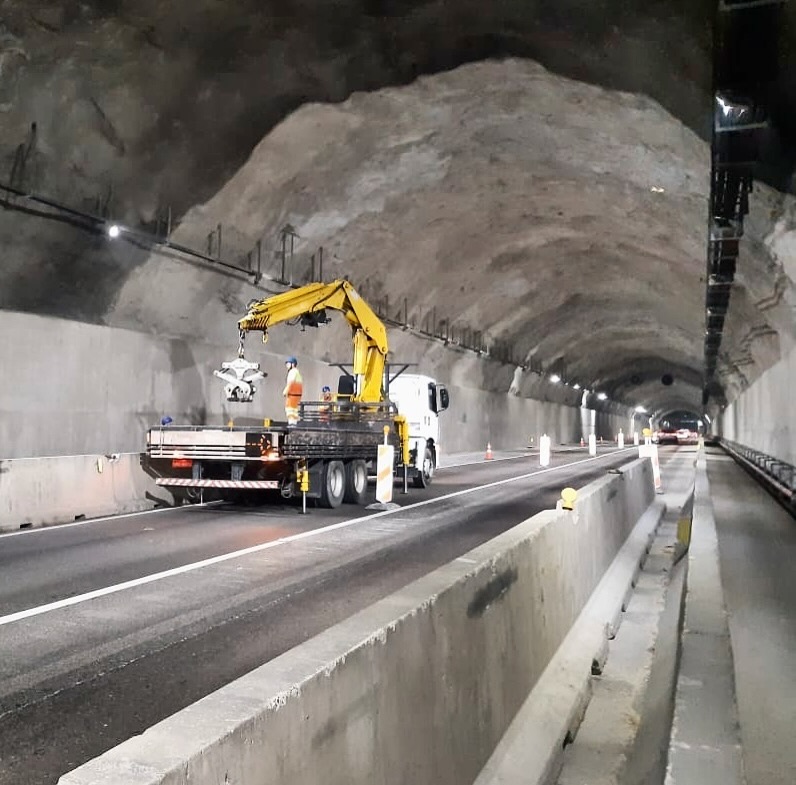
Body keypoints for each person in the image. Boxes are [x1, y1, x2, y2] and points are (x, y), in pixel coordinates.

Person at [282, 356, 303, 425]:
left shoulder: (292, 372)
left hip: (292, 395)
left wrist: (285, 391)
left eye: (288, 363)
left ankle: (291, 424)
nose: (287, 365)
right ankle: (293, 423)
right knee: (294, 411)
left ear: (293, 364)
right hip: (297, 395)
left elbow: (290, 383)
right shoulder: (297, 373)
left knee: (290, 410)